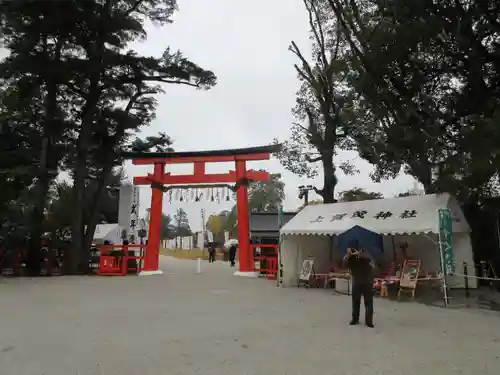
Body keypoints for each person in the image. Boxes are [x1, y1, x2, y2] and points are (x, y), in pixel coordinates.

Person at [343, 241, 375, 328]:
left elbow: (370, 258)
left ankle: (369, 321)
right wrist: (348, 255)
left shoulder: (366, 253)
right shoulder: (351, 257)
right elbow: (345, 264)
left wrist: (359, 254)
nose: (354, 250)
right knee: (355, 301)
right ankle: (355, 319)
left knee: (368, 302)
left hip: (367, 281)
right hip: (356, 281)